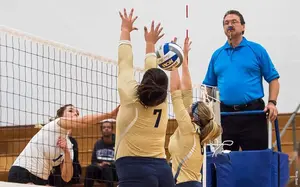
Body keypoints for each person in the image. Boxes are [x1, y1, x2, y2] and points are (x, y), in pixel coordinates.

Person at [203, 10, 280, 151]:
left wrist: (272, 103)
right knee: (225, 162)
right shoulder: (217, 55)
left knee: (256, 160)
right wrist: (205, 109)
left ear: (243, 27)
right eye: (226, 23)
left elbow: (273, 79)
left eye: (234, 22)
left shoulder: (257, 50)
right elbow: (208, 86)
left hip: (253, 114)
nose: (230, 25)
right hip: (225, 116)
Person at [115, 8, 174, 187]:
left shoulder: (129, 95)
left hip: (133, 167)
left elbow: (125, 62)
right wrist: (150, 44)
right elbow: (152, 71)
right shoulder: (163, 100)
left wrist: (125, 30)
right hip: (163, 169)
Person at [8, 104, 119, 185]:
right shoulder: (56, 124)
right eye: (71, 111)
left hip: (41, 180)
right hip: (22, 173)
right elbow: (82, 122)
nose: (75, 113)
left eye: (77, 113)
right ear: (62, 115)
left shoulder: (69, 145)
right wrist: (110, 115)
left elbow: (66, 177)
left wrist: (65, 151)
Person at [169, 36, 222, 187]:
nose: (188, 105)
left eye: (190, 107)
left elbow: (175, 92)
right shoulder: (195, 130)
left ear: (192, 117)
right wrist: (184, 57)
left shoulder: (187, 128)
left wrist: (172, 61)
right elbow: (186, 90)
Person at [84, 120, 117, 187]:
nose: (106, 129)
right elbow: (93, 161)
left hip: (114, 173)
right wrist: (99, 164)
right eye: (104, 127)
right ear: (101, 130)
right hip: (101, 173)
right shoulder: (98, 144)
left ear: (112, 130)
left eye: (108, 127)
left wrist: (110, 164)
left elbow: (121, 160)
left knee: (107, 167)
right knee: (90, 168)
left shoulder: (117, 142)